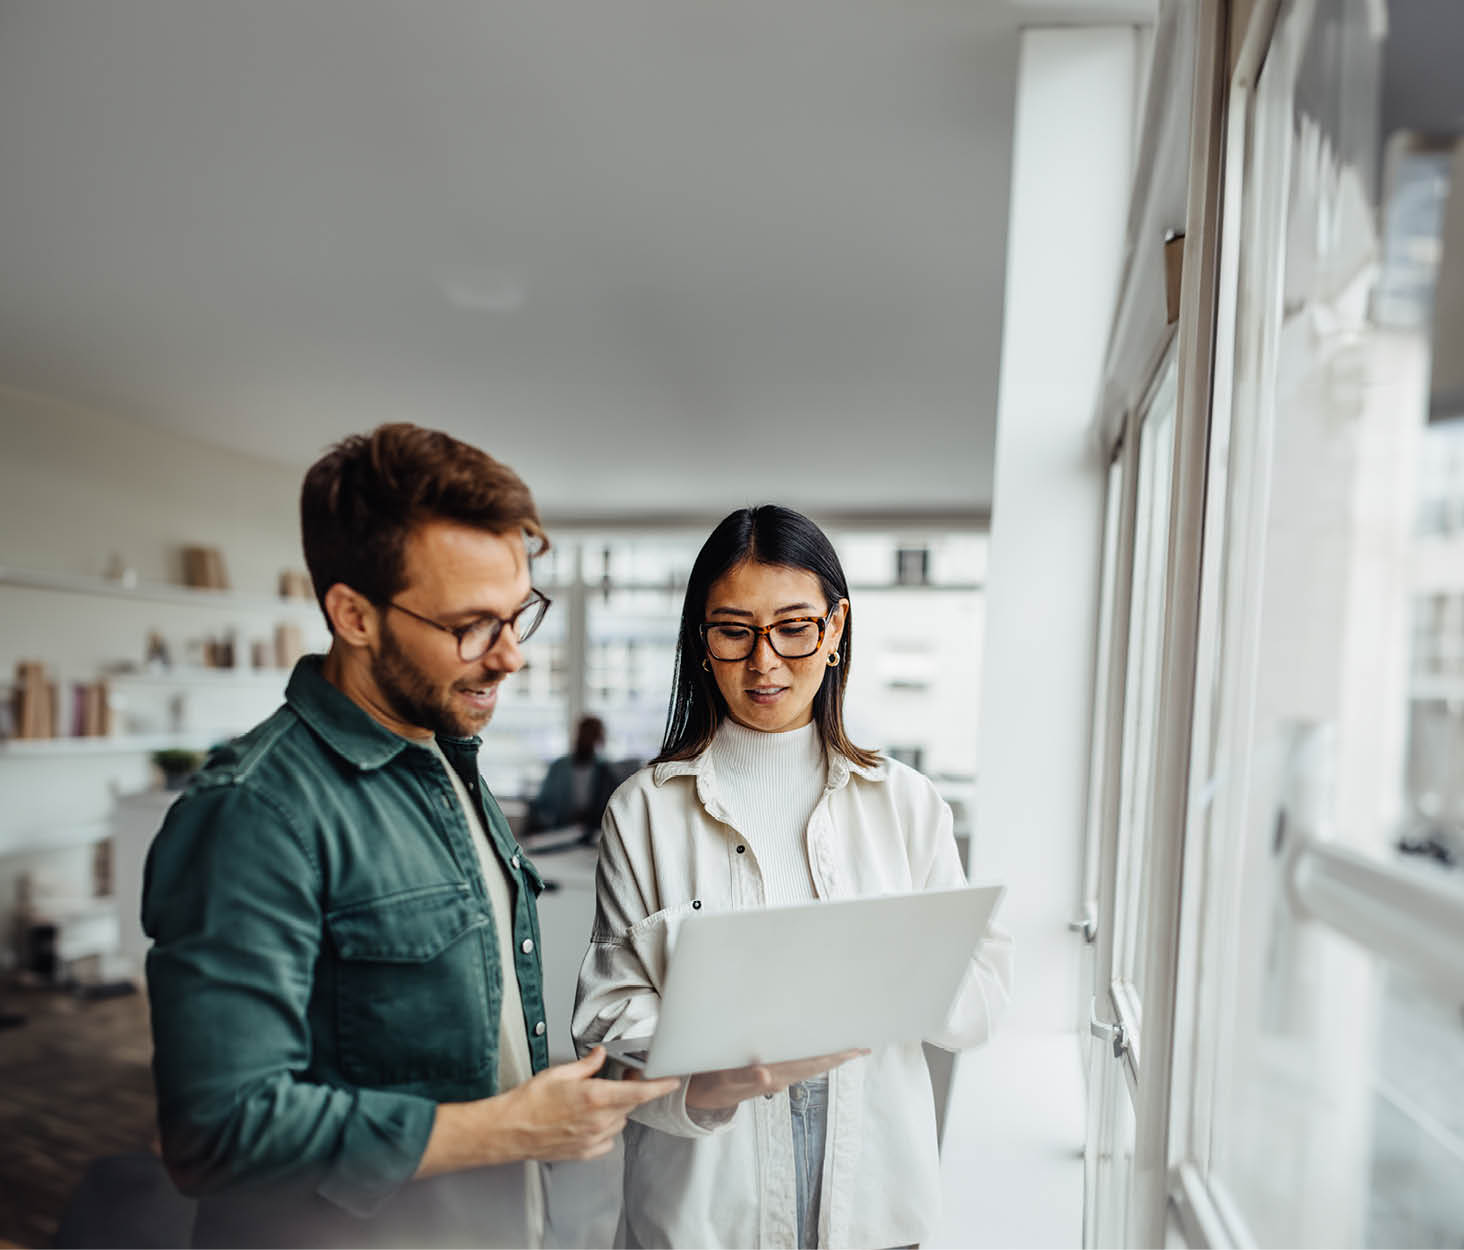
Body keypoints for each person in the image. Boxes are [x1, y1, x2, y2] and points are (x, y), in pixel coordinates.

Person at [142, 424, 678, 1249]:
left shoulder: (449, 759)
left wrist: (674, 1084)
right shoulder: (252, 812)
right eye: (472, 626)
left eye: (516, 617)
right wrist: (510, 1130)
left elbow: (480, 1044)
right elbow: (218, 1131)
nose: (510, 659)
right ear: (353, 614)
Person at [572, 505, 1014, 1250]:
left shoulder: (906, 804)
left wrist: (883, 964)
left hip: (877, 1209)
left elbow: (980, 1006)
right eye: (734, 630)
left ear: (835, 629)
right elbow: (607, 1021)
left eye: (794, 627)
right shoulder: (643, 811)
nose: (765, 662)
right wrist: (719, 1065)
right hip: (703, 1214)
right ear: (701, 643)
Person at [526, 715, 616, 842]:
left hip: (592, 835)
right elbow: (543, 804)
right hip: (559, 832)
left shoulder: (605, 770)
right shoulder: (558, 767)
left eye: (593, 735)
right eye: (585, 734)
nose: (588, 740)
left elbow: (610, 805)